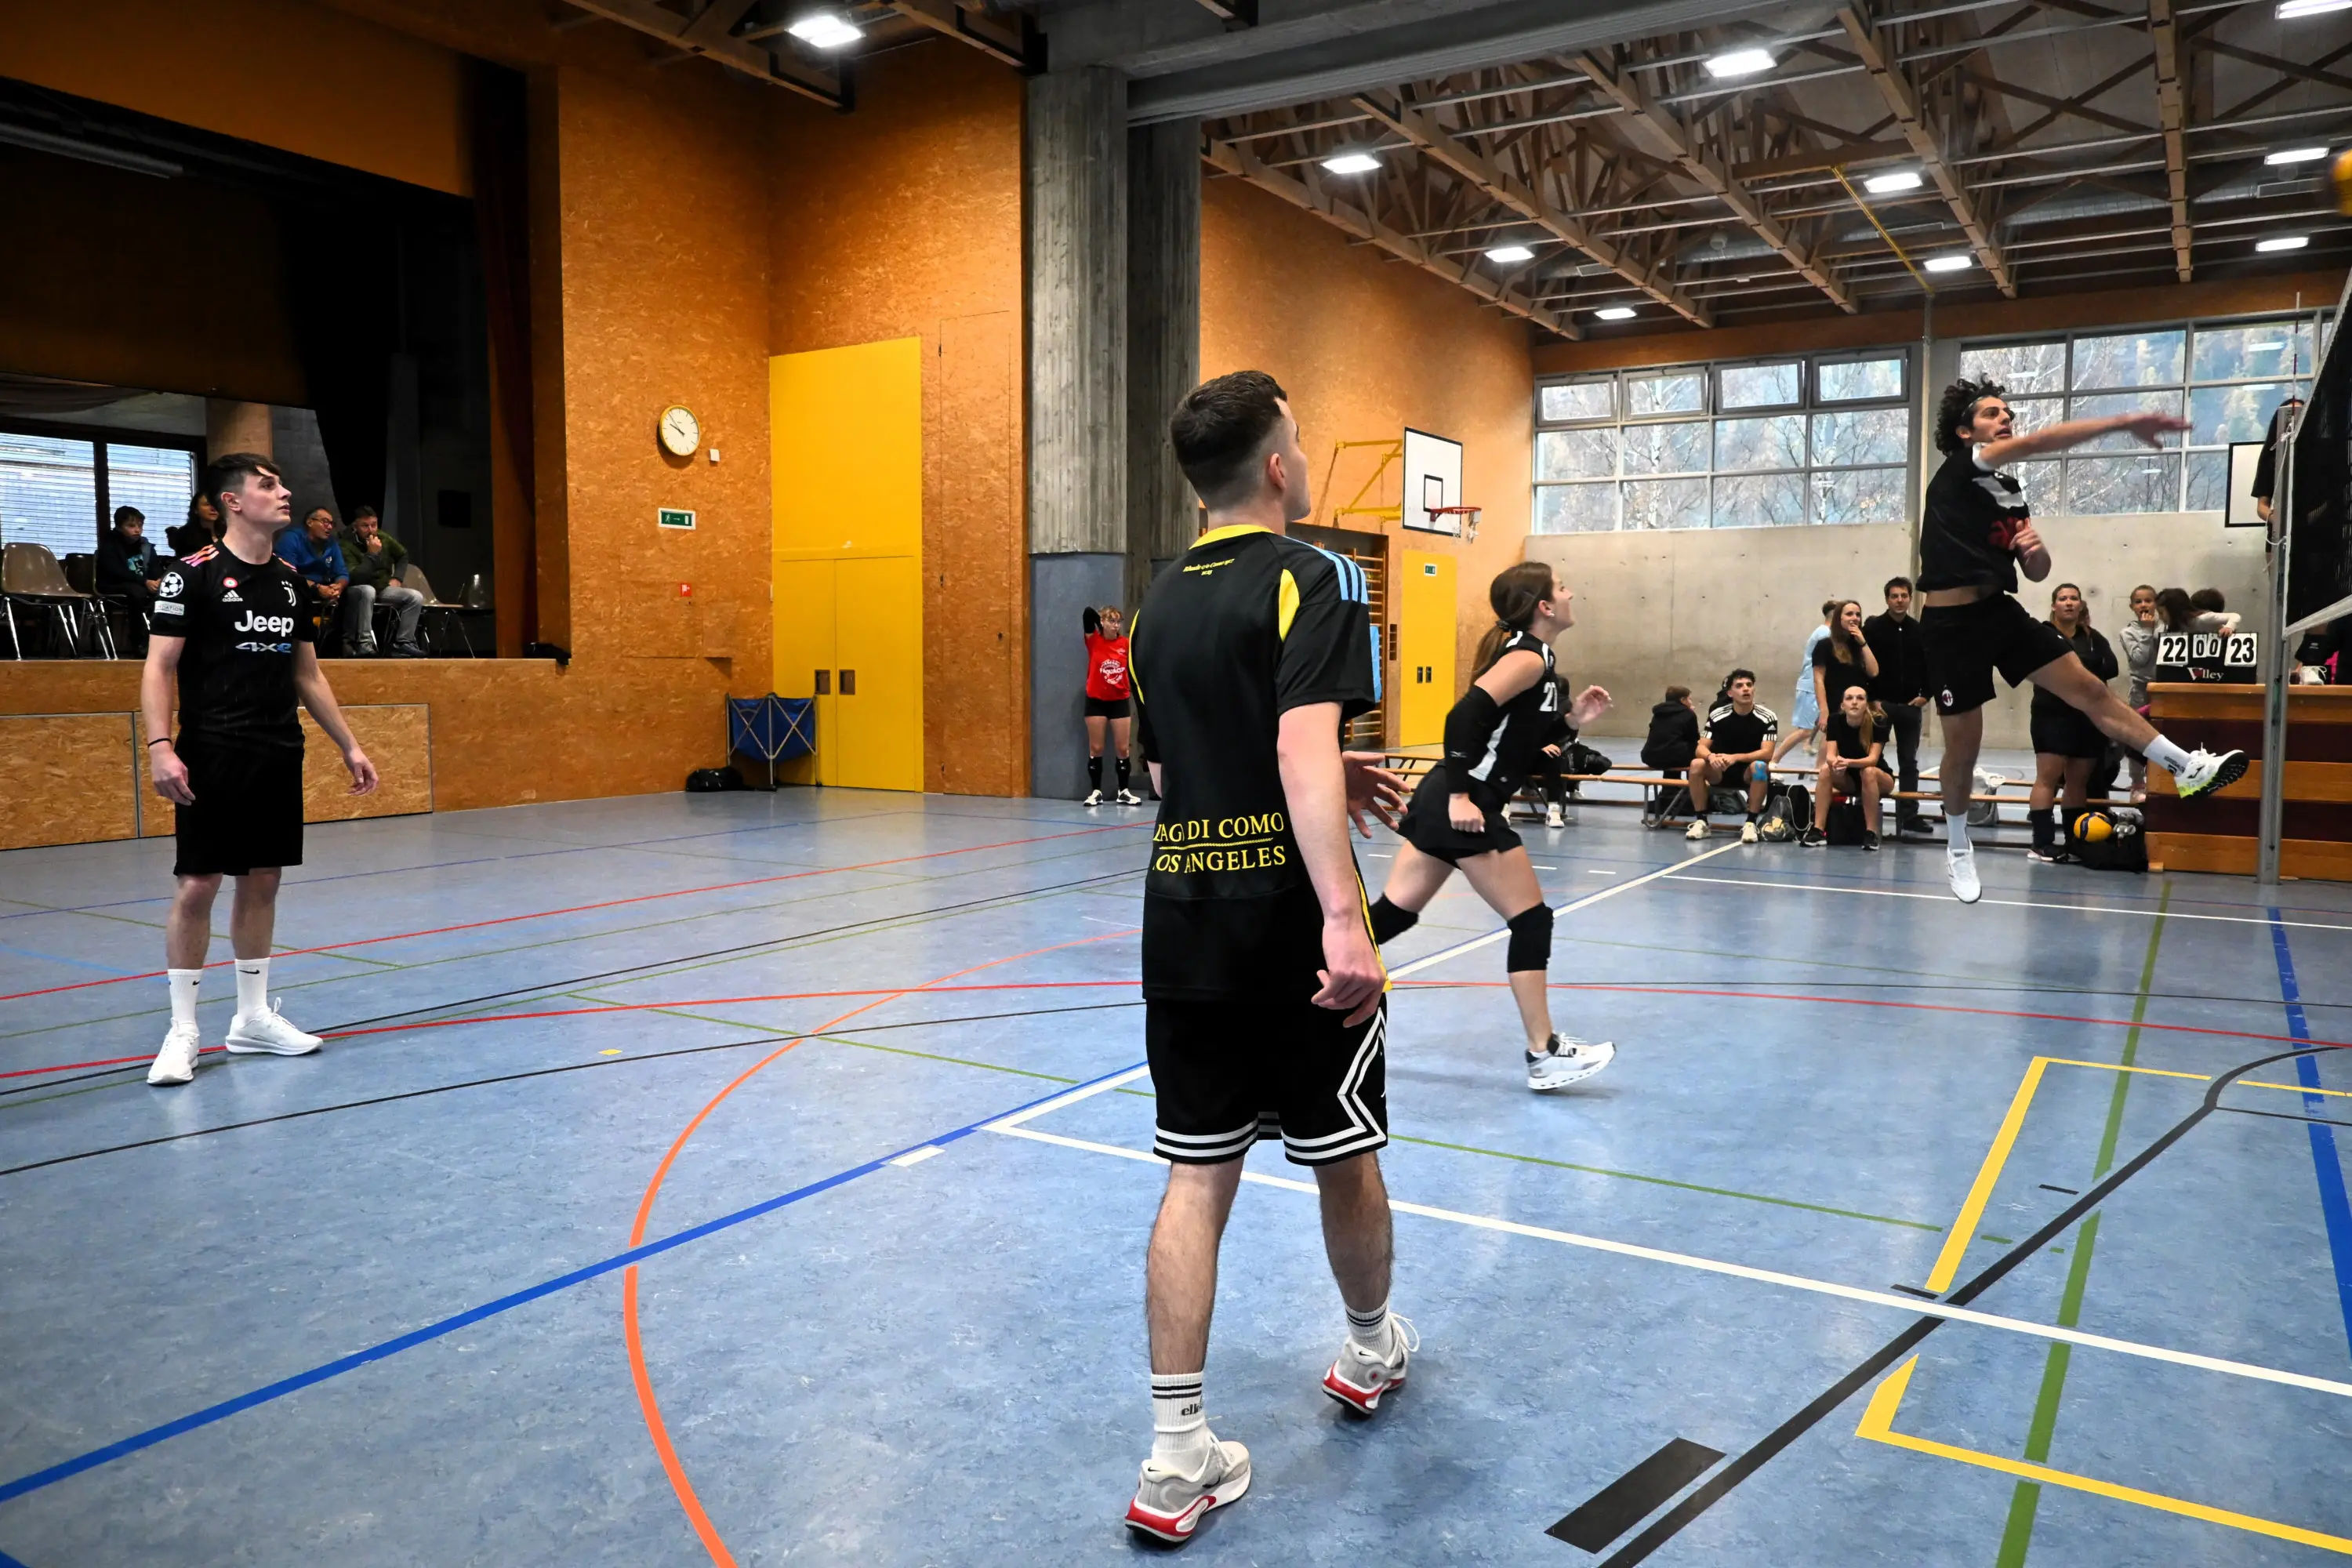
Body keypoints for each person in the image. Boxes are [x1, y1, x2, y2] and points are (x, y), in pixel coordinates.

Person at [1121, 371, 1411, 1544]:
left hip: (1181, 913)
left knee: (1197, 1174)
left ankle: (1176, 1455)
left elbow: (1163, 771)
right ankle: (1367, 1346)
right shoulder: (1319, 575)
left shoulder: (1152, 606)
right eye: (1298, 439)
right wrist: (1347, 917)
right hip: (1288, 923)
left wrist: (1315, 774)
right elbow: (1298, 744)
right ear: (1278, 466)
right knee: (1344, 1151)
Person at [1920, 376, 2244, 903]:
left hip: (1998, 611)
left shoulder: (2008, 491)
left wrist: (2033, 550)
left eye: (2008, 413)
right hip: (1950, 626)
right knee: (1964, 747)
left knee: (2091, 689)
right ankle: (1958, 845)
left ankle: (2187, 768)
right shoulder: (1965, 468)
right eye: (1992, 414)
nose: (2006, 420)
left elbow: (2039, 571)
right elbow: (2044, 442)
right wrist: (2122, 422)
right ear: (1965, 432)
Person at [141, 453, 379, 1087]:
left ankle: (250, 1020)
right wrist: (161, 746)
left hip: (277, 750)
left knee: (264, 880)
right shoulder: (187, 577)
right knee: (198, 885)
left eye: (281, 481)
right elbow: (158, 668)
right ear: (232, 502)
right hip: (211, 751)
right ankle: (183, 1031)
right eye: (268, 484)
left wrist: (348, 744)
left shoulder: (291, 581)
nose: (284, 492)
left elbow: (307, 673)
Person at [1370, 561, 1615, 1092]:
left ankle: (1289, 985)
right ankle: (1544, 1052)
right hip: (1465, 803)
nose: (1573, 594)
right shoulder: (1526, 657)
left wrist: (1571, 722)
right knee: (1532, 921)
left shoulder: (1540, 661)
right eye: (1564, 588)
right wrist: (1461, 794)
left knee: (1392, 917)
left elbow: (1517, 737)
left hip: (1453, 800)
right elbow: (1463, 719)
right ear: (1545, 607)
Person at [2025, 583, 2118, 862]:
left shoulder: (2092, 637)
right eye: (2062, 598)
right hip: (2051, 715)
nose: (2068, 603)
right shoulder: (2041, 634)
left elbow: (2109, 668)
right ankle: (2041, 843)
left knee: (2078, 781)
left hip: (2086, 717)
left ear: (2080, 605)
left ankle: (2074, 840)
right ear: (2053, 605)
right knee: (2048, 777)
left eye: (2073, 598)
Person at [1863, 576, 1932, 837]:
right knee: (1872, 757)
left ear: (1910, 598)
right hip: (1881, 706)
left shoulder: (1919, 630)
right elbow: (1864, 665)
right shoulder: (1874, 629)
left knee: (1909, 761)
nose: (1899, 600)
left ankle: (1909, 815)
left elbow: (1931, 666)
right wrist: (1872, 700)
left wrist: (1927, 694)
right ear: (1887, 599)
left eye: (1904, 596)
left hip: (1910, 707)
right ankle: (1868, 811)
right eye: (1894, 596)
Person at [1686, 670, 1780, 842]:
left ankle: (1751, 823)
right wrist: (1712, 758)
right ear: (1730, 693)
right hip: (1719, 771)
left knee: (1760, 767)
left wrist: (1735, 757)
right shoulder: (1717, 715)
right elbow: (1701, 748)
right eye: (1739, 686)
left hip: (1748, 773)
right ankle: (1701, 821)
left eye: (1749, 685)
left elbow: (1767, 753)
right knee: (1697, 764)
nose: (1746, 689)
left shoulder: (1768, 717)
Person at [1805, 681, 1890, 850]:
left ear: (1866, 704)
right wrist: (1834, 762)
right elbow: (1830, 754)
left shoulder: (1878, 721)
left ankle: (1871, 833)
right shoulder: (1835, 720)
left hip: (1879, 777)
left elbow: (1873, 759)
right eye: (1849, 698)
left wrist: (1848, 762)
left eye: (1860, 698)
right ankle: (1818, 830)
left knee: (1869, 772)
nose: (1855, 702)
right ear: (1842, 705)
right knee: (1824, 771)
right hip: (1848, 778)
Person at [339, 506, 426, 658]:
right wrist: (372, 555)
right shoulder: (345, 543)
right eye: (365, 526)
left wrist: (397, 578)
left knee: (415, 597)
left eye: (374, 524)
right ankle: (364, 643)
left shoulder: (383, 538)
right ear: (355, 527)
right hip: (356, 589)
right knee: (368, 590)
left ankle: (403, 643)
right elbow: (356, 577)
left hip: (381, 588)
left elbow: (403, 554)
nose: (371, 530)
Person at [1081, 604, 1140, 806]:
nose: (1116, 625)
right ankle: (1096, 791)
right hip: (1096, 701)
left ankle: (1123, 791)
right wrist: (1099, 622)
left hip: (1119, 701)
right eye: (1111, 621)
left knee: (1123, 749)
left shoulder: (1125, 644)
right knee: (1096, 747)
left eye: (1118, 622)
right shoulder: (1094, 641)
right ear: (1103, 622)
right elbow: (1087, 613)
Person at [1773, 600, 1839, 764]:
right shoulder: (1825, 634)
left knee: (1830, 730)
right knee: (1805, 731)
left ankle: (1819, 769)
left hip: (1822, 687)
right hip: (1811, 687)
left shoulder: (1826, 632)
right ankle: (1774, 760)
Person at [276, 506, 350, 645]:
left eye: (331, 524)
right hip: (297, 587)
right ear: (310, 522)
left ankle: (341, 646)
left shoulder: (332, 544)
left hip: (324, 589)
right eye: (325, 522)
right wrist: (316, 587)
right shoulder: (291, 538)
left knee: (353, 594)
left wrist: (338, 586)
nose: (329, 527)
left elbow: (342, 573)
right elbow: (287, 573)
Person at [1809, 599, 1879, 739]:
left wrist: (1863, 643)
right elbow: (1818, 680)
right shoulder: (1825, 645)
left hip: (1858, 707)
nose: (1855, 618)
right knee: (1830, 754)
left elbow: (1873, 672)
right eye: (1849, 614)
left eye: (1858, 615)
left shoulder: (1860, 645)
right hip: (1836, 706)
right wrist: (1824, 711)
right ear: (1838, 618)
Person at [2117, 583, 2159, 802]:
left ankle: (2160, 781)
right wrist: (2146, 631)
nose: (2144, 605)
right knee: (2137, 739)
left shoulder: (2165, 628)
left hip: (2164, 694)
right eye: (2138, 601)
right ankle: (2137, 784)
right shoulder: (2128, 632)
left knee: (2163, 739)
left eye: (2148, 600)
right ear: (2132, 606)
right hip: (2140, 693)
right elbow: (2140, 658)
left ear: (2156, 603)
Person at [2252, 394, 2302, 524]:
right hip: (2281, 531)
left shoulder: (2321, 452)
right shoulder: (2271, 457)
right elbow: (2262, 506)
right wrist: (2280, 522)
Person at [166, 490, 223, 558]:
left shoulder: (226, 532)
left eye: (216, 504)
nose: (213, 508)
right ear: (196, 509)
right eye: (207, 504)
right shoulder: (186, 536)